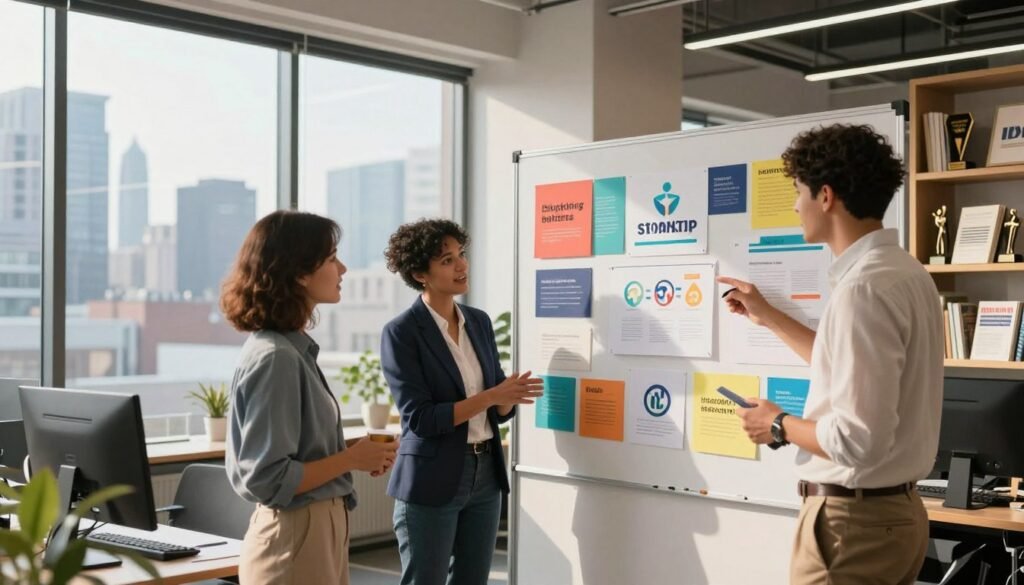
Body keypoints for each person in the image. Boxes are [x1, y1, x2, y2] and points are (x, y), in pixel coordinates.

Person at [718, 124, 943, 585]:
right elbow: (846, 365)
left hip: (849, 527)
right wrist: (769, 317)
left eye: (799, 193)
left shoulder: (863, 289)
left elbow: (858, 441)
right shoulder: (904, 273)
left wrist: (776, 423)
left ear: (826, 196)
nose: (795, 206)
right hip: (891, 519)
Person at [221, 210, 399, 585]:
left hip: (313, 531)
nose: (344, 269)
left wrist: (355, 452)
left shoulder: (288, 350)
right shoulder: (277, 358)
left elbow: (296, 453)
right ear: (300, 272)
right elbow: (270, 478)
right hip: (296, 536)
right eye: (332, 258)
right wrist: (350, 458)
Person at [380, 218, 544, 585]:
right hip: (431, 477)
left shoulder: (479, 322)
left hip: (485, 473)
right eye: (447, 260)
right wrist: (491, 396)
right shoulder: (401, 333)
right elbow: (420, 419)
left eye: (462, 255)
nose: (462, 265)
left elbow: (496, 410)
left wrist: (507, 397)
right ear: (420, 274)